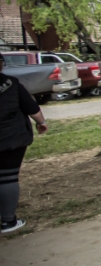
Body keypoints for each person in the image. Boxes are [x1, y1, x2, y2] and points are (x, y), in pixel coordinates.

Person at [0, 53, 48, 234]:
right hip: (11, 138)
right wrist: (41, 122)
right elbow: (32, 108)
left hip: (10, 138)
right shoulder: (11, 84)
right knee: (8, 178)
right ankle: (7, 221)